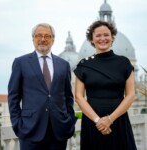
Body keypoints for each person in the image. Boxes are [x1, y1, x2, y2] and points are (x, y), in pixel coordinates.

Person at [8, 23, 77, 150]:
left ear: (53, 40)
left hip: (59, 131)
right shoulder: (21, 63)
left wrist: (69, 121)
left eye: (47, 36)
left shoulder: (64, 64)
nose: (43, 39)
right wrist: (17, 125)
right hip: (30, 130)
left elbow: (68, 97)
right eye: (39, 36)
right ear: (33, 38)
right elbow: (13, 97)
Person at [74, 20, 137, 150]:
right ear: (92, 39)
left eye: (106, 35)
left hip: (118, 119)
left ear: (112, 37)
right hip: (92, 121)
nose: (103, 38)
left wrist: (110, 119)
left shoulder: (124, 63)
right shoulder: (84, 65)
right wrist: (98, 121)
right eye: (98, 35)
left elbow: (130, 94)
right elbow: (79, 97)